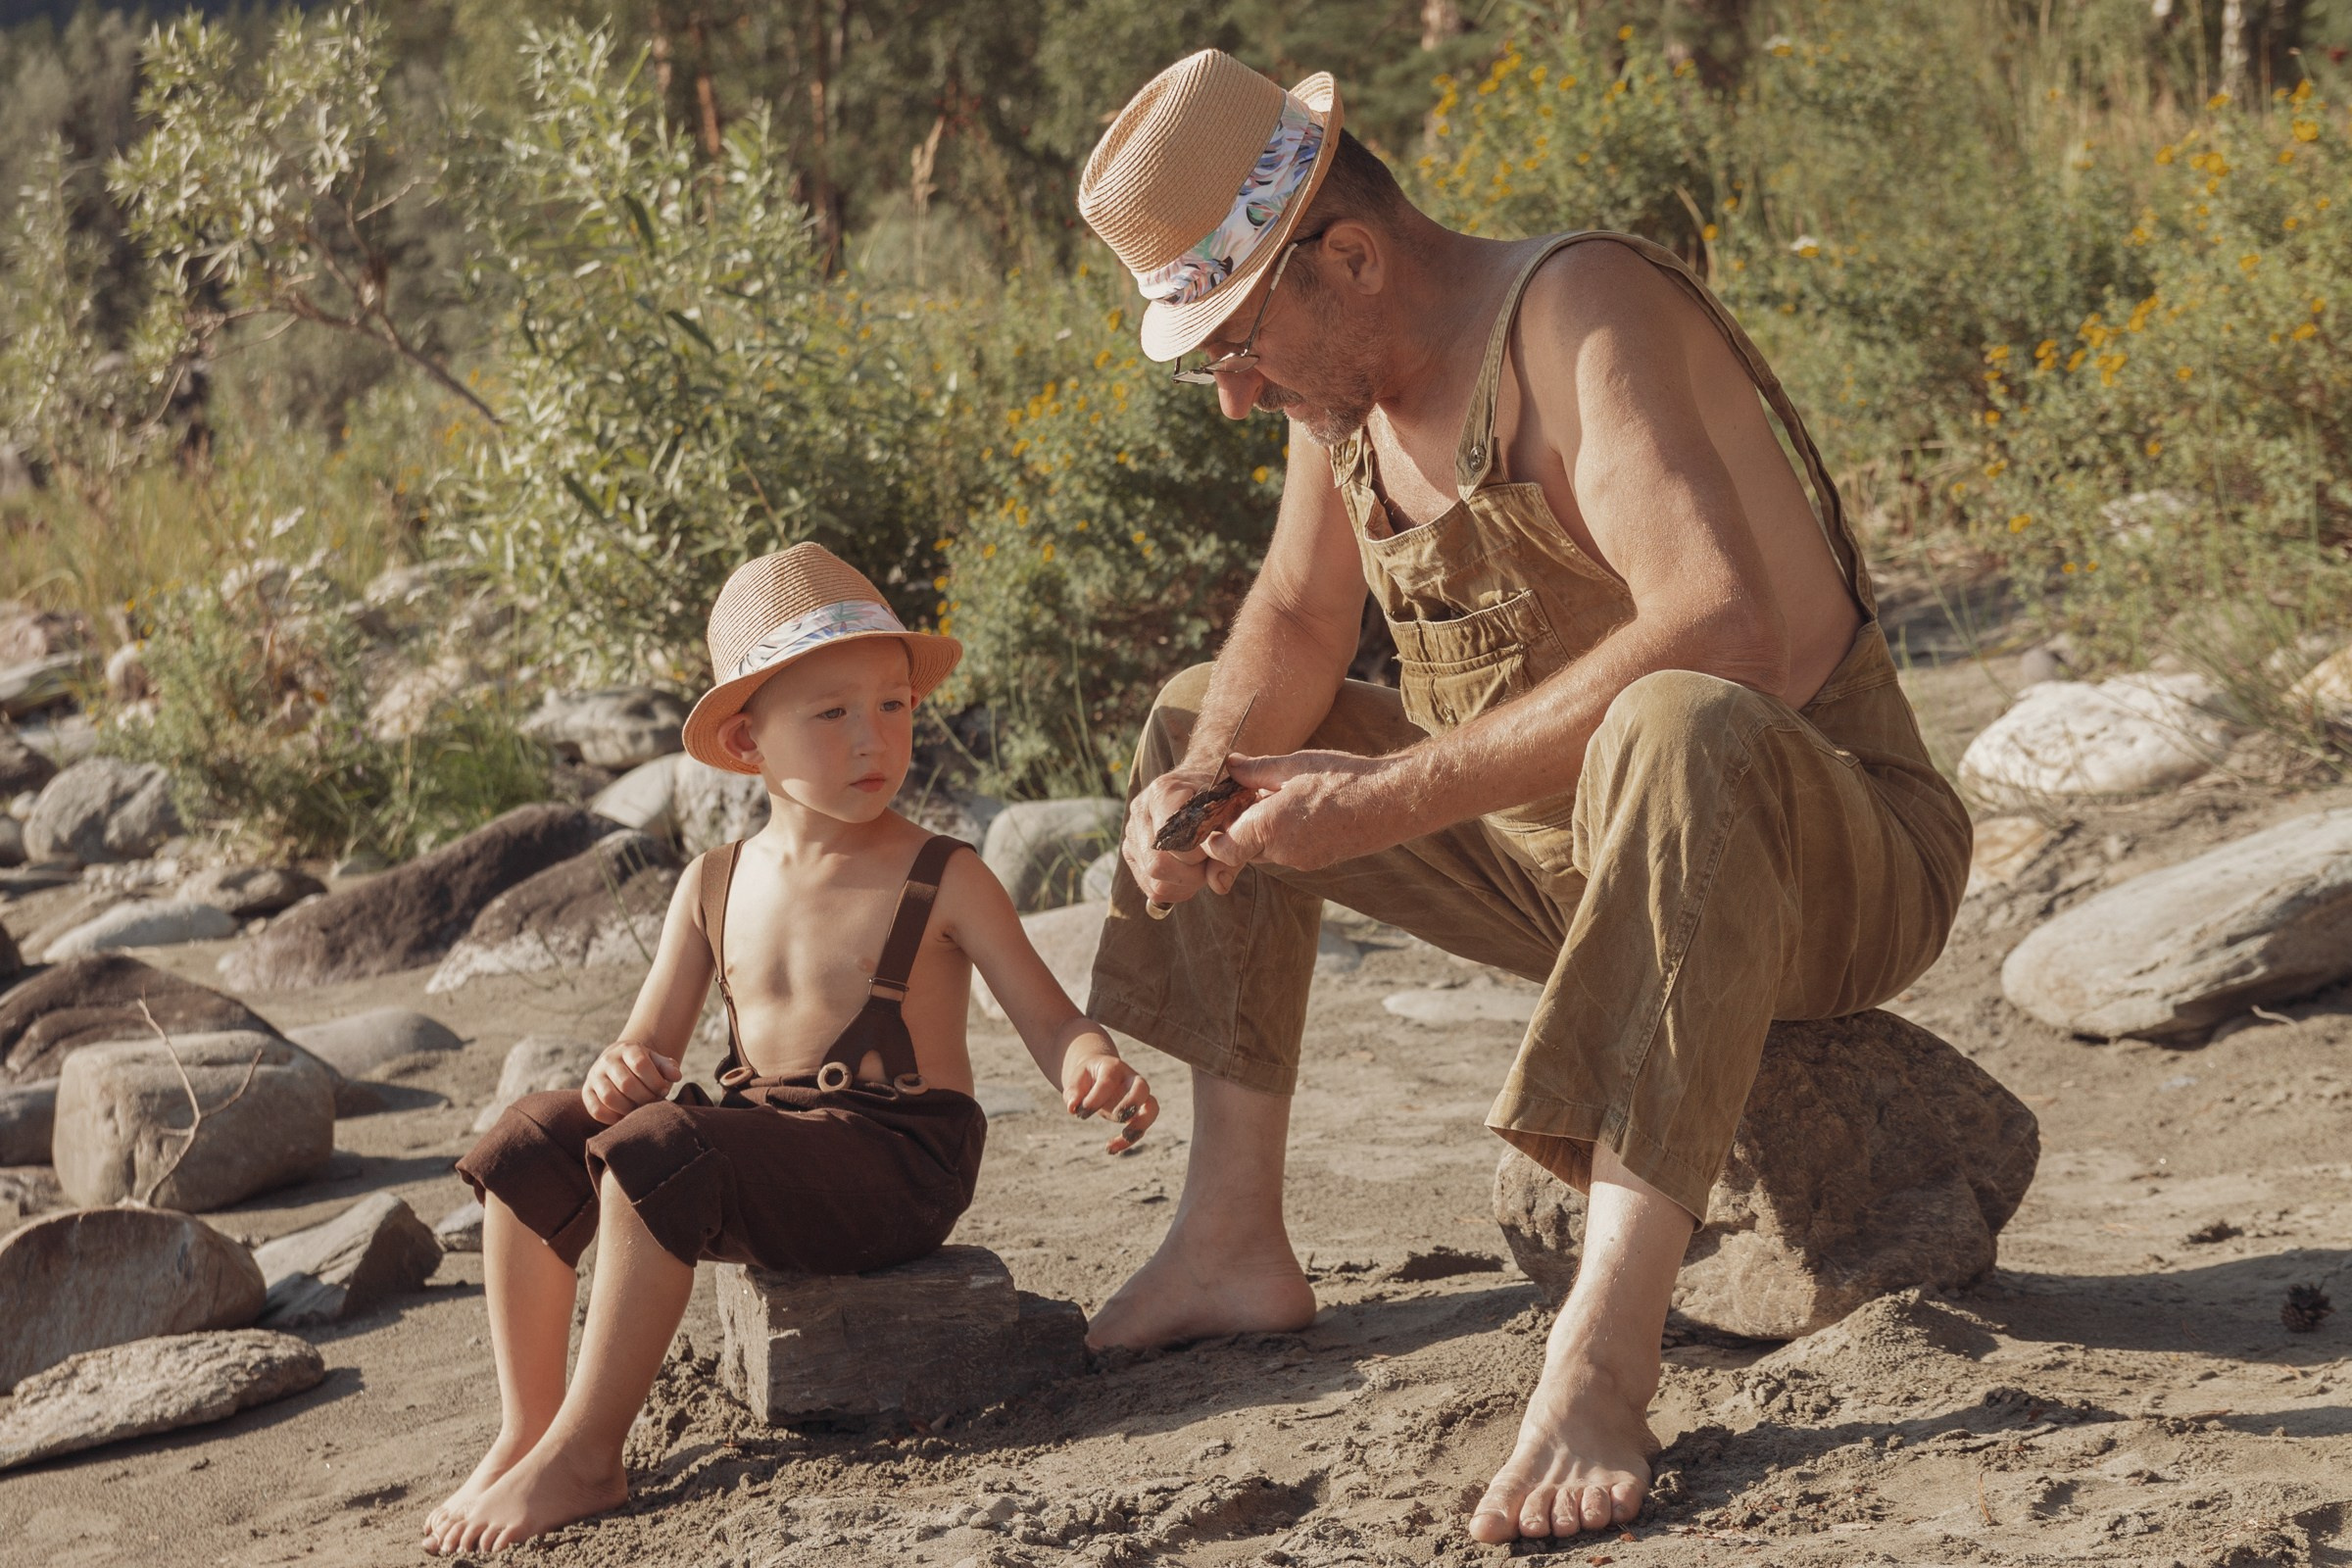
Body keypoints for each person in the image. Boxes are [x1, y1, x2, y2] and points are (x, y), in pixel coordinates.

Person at [1073, 51, 1971, 1544]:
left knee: (1683, 716)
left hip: (1827, 847)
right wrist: (1199, 782)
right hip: (1569, 866)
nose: (1232, 393)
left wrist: (1378, 799)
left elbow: (1722, 626)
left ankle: (1605, 1360)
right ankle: (1229, 1234)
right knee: (1200, 724)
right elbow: (1299, 623)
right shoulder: (1343, 400)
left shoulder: (1576, 314)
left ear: (1347, 258)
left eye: (1235, 341)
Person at [421, 543, 1158, 1556]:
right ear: (746, 738)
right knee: (537, 1132)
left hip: (897, 1163)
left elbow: (1049, 1018)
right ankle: (530, 1425)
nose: (875, 737)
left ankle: (590, 1455)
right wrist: (617, 1068)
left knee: (665, 1147)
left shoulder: (944, 875)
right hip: (767, 1144)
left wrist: (1092, 1064)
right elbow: (646, 1043)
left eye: (894, 706)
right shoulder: (713, 882)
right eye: (832, 712)